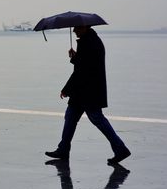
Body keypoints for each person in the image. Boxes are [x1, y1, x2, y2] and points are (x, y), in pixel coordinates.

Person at [45, 25, 131, 164]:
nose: (74, 31)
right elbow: (84, 65)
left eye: (77, 28)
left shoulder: (88, 43)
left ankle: (120, 149)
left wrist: (66, 88)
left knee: (97, 119)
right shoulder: (92, 41)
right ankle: (63, 149)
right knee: (71, 117)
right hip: (83, 91)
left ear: (85, 27)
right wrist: (75, 57)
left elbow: (82, 70)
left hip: (88, 91)